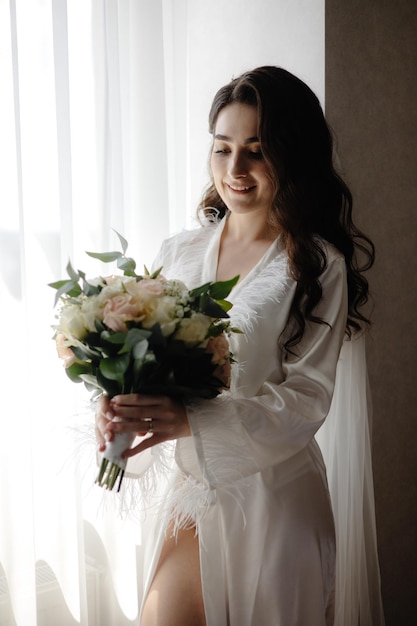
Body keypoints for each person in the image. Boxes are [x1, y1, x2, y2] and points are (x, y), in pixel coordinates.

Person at [95, 66, 384, 626]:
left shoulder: (318, 265)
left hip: (274, 497)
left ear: (291, 156)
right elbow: (147, 357)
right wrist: (119, 402)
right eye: (222, 148)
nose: (235, 170)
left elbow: (306, 397)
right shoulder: (180, 252)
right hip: (194, 492)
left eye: (256, 150)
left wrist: (191, 422)